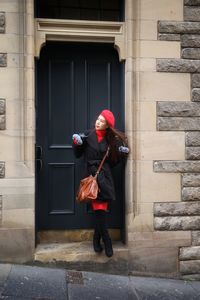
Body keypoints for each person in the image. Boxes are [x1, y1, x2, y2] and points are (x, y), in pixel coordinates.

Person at [72, 109, 129, 257]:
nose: (98, 122)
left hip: (104, 178)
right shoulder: (86, 135)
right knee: (99, 212)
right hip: (91, 178)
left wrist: (121, 153)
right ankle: (106, 240)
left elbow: (113, 162)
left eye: (102, 121)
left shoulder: (112, 141)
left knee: (100, 211)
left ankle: (98, 239)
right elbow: (78, 155)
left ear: (107, 126)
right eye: (98, 119)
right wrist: (76, 144)